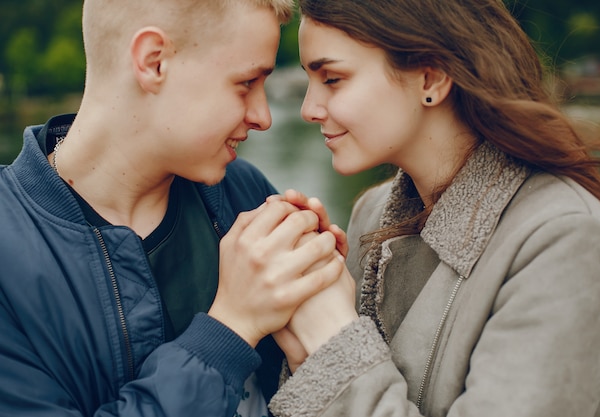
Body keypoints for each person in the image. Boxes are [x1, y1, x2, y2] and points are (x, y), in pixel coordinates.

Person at [267, 0, 600, 416]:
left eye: (332, 78)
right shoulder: (372, 214)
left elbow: (341, 357)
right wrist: (302, 348)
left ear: (431, 77)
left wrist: (332, 337)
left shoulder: (567, 239)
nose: (309, 109)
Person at [0, 0, 348, 416]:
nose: (263, 117)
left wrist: (323, 310)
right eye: (245, 83)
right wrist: (233, 327)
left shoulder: (246, 194)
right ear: (154, 62)